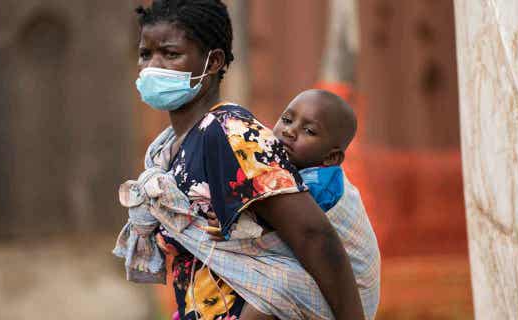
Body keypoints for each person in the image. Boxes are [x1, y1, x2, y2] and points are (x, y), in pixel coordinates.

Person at [130, 1, 364, 319]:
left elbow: (312, 234)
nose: (153, 67)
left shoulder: (229, 132)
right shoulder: (168, 149)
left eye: (171, 55)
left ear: (212, 62)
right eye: (146, 54)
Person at [214, 89, 380, 319]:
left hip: (350, 294)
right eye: (287, 119)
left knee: (272, 296)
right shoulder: (289, 172)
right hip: (318, 276)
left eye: (309, 131)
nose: (290, 131)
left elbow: (283, 220)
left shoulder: (321, 183)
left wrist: (237, 214)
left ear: (331, 158)